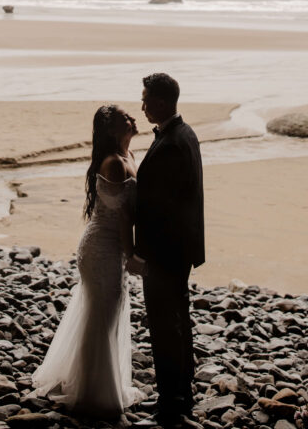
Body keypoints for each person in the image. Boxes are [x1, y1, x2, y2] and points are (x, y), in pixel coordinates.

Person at [32, 104, 142, 419]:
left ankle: (96, 382)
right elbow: (123, 216)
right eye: (125, 120)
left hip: (111, 247)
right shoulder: (113, 165)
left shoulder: (129, 157)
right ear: (111, 130)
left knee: (105, 313)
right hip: (102, 249)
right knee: (102, 316)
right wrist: (132, 255)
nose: (133, 120)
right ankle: (94, 394)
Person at [128, 72, 205, 429]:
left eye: (145, 99)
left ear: (160, 101)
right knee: (177, 321)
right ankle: (181, 393)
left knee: (164, 326)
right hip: (180, 248)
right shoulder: (184, 133)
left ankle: (171, 402)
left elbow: (161, 209)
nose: (141, 105)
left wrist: (140, 252)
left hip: (165, 251)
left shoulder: (173, 143)